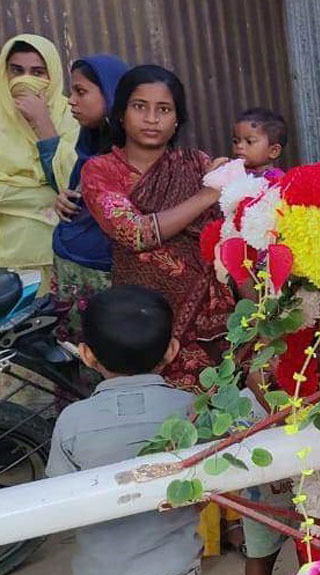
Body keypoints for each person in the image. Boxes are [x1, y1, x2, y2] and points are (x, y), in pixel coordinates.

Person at [46, 285, 205, 575]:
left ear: (86, 354)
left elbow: (60, 499)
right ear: (172, 350)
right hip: (174, 565)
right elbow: (207, 486)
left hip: (107, 573)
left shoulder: (72, 422)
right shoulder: (190, 411)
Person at [79, 65, 235, 390]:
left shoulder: (196, 163)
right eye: (140, 107)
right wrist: (208, 194)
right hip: (143, 319)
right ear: (121, 114)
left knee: (219, 405)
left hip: (210, 316)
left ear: (177, 119)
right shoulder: (101, 171)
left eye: (163, 109)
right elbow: (135, 233)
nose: (152, 119)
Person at [51, 55, 128, 343]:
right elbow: (81, 194)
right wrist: (64, 199)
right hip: (72, 269)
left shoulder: (132, 153)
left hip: (105, 275)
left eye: (81, 92)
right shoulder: (88, 143)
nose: (71, 101)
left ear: (110, 92)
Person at [0, 34, 79, 283]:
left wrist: (43, 123)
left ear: (52, 75)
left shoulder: (71, 115)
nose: (25, 80)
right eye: (16, 71)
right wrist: (45, 196)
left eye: (37, 72)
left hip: (60, 256)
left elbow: (75, 187)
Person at [232, 107, 287, 182]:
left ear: (273, 151)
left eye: (249, 142)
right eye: (235, 141)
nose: (239, 146)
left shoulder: (277, 180)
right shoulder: (234, 173)